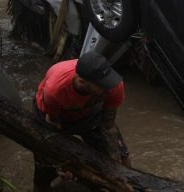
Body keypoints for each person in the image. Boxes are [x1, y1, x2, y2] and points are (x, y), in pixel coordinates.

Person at [33, 52, 131, 190]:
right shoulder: (56, 90)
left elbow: (108, 125)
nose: (109, 88)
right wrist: (61, 162)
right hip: (52, 116)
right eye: (103, 84)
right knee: (45, 168)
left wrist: (116, 166)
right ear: (82, 81)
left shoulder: (114, 85)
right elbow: (53, 124)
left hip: (90, 113)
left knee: (121, 154)